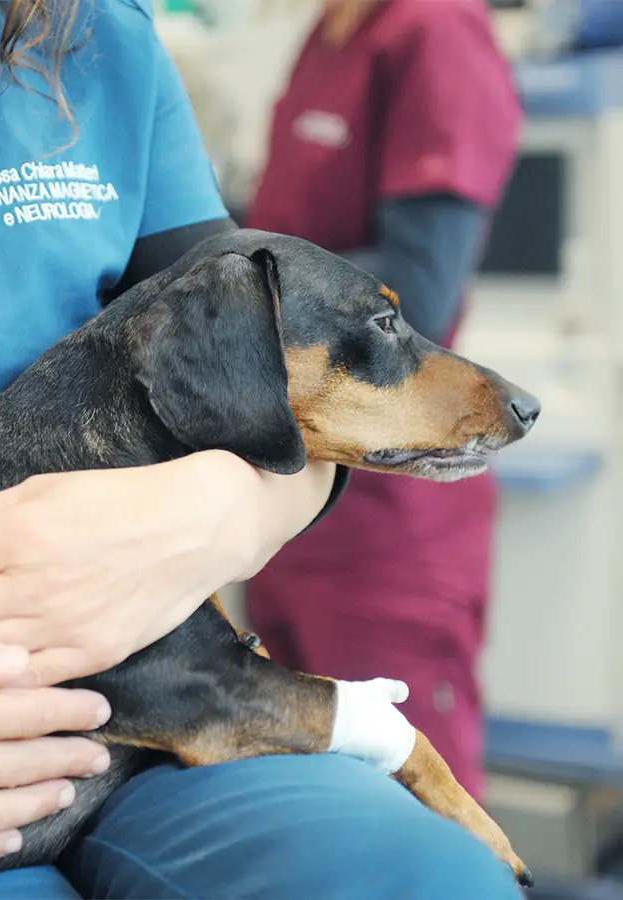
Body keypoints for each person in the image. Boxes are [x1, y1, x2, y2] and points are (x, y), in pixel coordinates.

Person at [0, 0, 521, 897]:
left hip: (140, 705)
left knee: (419, 876)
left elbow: (263, 354)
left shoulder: (92, 33)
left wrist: (213, 517)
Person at [246, 0, 522, 802]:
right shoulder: (331, 32)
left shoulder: (434, 34)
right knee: (305, 803)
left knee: (417, 806)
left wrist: (230, 280)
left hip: (389, 519)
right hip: (290, 502)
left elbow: (419, 293)